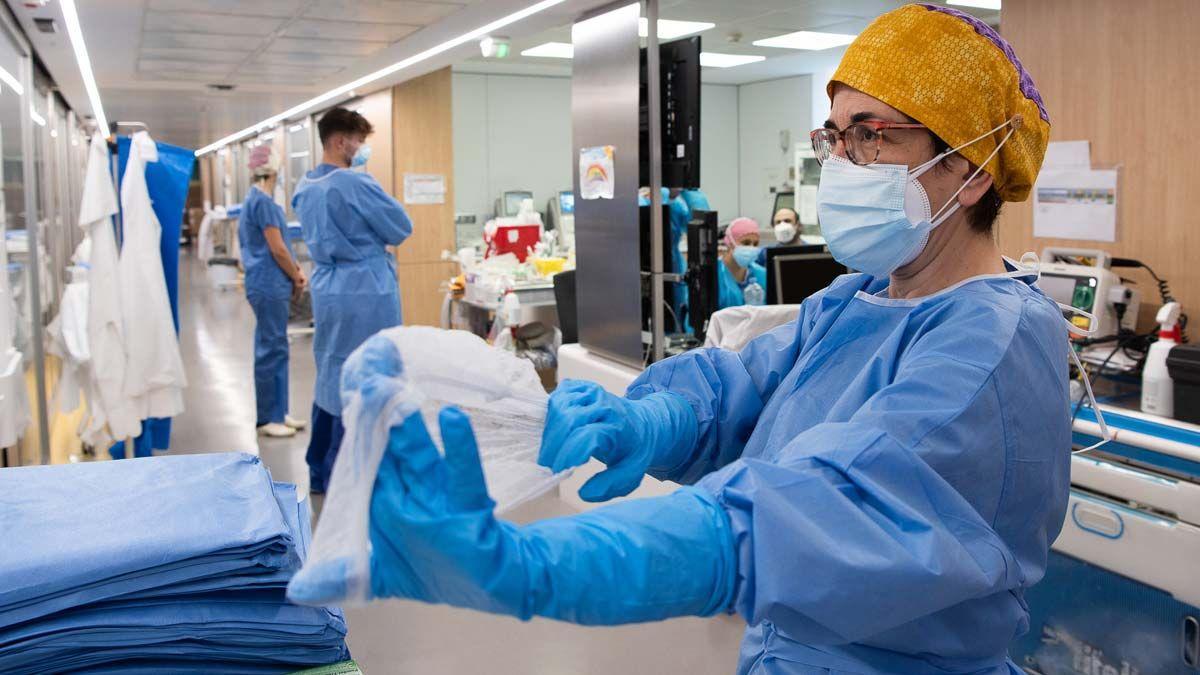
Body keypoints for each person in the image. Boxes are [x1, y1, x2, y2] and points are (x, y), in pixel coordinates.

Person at [343, 5, 1071, 673]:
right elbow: (742, 393)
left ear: (971, 171)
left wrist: (537, 563)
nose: (841, 161)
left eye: (871, 135)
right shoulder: (859, 299)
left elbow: (822, 514)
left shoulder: (994, 345)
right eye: (836, 134)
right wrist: (646, 418)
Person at [292, 107, 412, 493]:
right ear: (341, 141)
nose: (362, 149)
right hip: (365, 290)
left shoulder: (305, 186)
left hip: (328, 287)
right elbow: (400, 227)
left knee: (331, 370)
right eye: (359, 141)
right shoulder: (355, 184)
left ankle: (320, 467)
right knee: (369, 370)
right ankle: (355, 473)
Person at [238, 145, 307, 438]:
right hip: (269, 283)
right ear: (275, 170)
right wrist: (297, 273)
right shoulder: (263, 202)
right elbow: (277, 248)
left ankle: (279, 411)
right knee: (271, 349)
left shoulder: (255, 199)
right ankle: (268, 418)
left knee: (277, 347)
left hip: (266, 283)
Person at [718, 217, 767, 309]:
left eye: (755, 244)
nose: (751, 248)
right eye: (746, 243)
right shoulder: (713, 274)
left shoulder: (762, 274)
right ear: (730, 243)